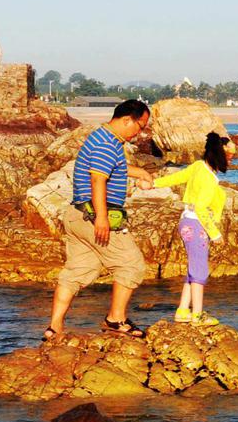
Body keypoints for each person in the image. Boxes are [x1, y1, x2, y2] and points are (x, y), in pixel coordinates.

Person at [45, 98, 156, 341]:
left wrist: (141, 172)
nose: (140, 132)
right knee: (131, 264)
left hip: (76, 215)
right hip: (93, 216)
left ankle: (54, 328)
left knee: (79, 270)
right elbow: (98, 180)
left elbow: (111, 167)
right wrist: (102, 218)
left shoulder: (102, 138)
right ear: (127, 119)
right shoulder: (108, 144)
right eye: (141, 126)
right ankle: (115, 320)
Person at [154, 132, 232, 327]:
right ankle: (197, 315)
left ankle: (183, 310)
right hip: (197, 224)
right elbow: (201, 208)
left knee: (194, 267)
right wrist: (215, 234)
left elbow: (178, 177)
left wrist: (153, 184)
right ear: (220, 155)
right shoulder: (208, 177)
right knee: (200, 270)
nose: (231, 159)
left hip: (186, 222)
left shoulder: (199, 167)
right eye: (229, 155)